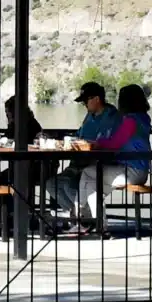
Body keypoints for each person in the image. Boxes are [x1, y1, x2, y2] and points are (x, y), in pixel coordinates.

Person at [63, 83, 152, 236]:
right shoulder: (143, 118)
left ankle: (84, 220)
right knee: (92, 182)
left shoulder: (131, 120)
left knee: (88, 174)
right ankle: (90, 222)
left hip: (131, 171)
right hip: (140, 170)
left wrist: (95, 143)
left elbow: (115, 143)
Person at [52, 82, 119, 219]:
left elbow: (106, 144)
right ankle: (79, 217)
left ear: (96, 99)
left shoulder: (111, 117)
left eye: (85, 101)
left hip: (97, 164)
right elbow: (79, 135)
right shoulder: (89, 115)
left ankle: (86, 218)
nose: (84, 105)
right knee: (52, 184)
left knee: (70, 186)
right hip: (79, 162)